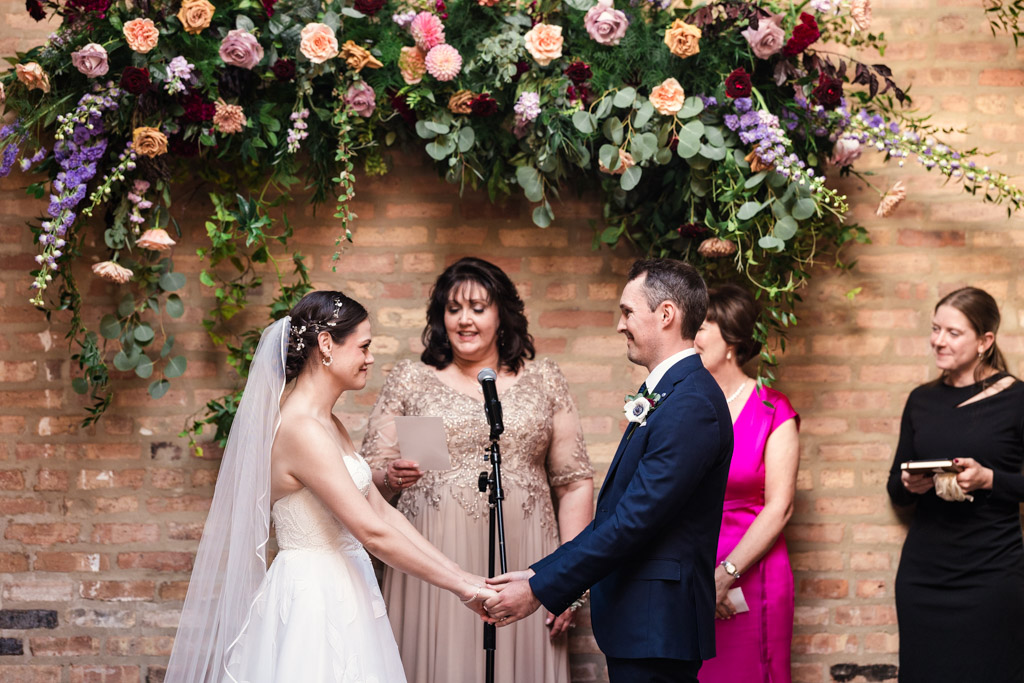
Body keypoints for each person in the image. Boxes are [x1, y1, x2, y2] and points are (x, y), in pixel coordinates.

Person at [164, 291, 493, 683]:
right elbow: (371, 532)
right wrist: (461, 589)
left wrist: (468, 577)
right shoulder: (301, 428)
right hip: (314, 603)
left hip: (348, 588)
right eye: (364, 346)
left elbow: (380, 510)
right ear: (326, 345)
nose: (371, 358)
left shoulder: (328, 421)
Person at [484, 258, 734, 683]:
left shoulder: (691, 404)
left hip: (658, 625)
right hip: (643, 624)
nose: (621, 325)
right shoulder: (670, 394)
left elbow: (634, 521)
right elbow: (618, 514)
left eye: (628, 312)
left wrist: (538, 589)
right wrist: (538, 571)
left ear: (667, 314)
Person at [361, 257, 594, 683]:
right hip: (432, 564)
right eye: (453, 309)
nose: (464, 320)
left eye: (478, 308)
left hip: (527, 561)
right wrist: (391, 475)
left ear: (501, 314)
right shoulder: (411, 380)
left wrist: (570, 583)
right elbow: (368, 480)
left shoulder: (544, 380)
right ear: (440, 318)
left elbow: (575, 482)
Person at [886, 286, 1024, 683]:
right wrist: (909, 484)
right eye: (935, 329)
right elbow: (895, 486)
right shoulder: (921, 400)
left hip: (992, 574)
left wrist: (989, 479)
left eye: (953, 332)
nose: (938, 341)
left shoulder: (1016, 399)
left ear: (985, 341)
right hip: (924, 574)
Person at [692, 284, 799, 683]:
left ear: (732, 340)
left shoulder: (774, 411)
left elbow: (780, 506)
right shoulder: (683, 407)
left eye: (702, 327)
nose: (692, 336)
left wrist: (726, 574)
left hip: (752, 571)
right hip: (691, 571)